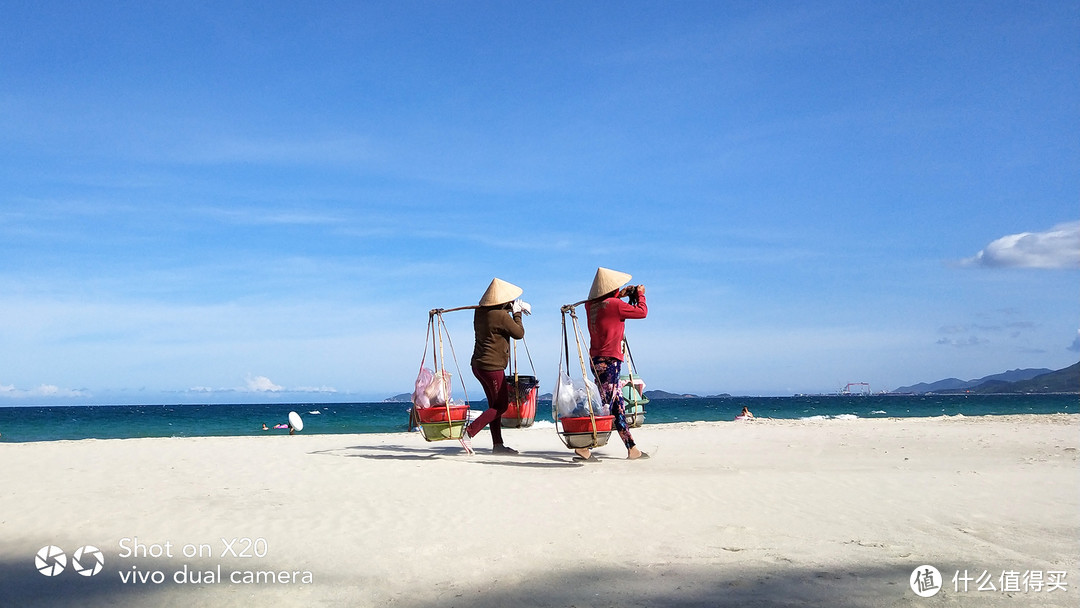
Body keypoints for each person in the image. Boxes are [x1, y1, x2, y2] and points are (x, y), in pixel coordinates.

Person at [579, 267, 649, 461]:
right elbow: (642, 312)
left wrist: (622, 293)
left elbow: (607, 305)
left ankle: (631, 447)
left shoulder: (590, 305)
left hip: (597, 359)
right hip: (611, 360)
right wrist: (640, 295)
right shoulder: (615, 305)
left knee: (616, 404)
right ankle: (584, 446)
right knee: (606, 405)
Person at [461, 278, 530, 455]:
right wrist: (518, 314)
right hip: (492, 367)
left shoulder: (480, 313)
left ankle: (498, 444)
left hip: (478, 365)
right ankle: (469, 433)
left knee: (494, 405)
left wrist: (514, 309)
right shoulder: (501, 317)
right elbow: (519, 333)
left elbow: (496, 314)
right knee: (501, 406)